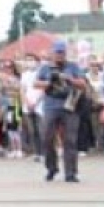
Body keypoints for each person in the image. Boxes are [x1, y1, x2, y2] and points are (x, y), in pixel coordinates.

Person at [35, 39, 86, 182]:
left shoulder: (73, 67)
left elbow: (83, 83)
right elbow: (36, 83)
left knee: (70, 139)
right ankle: (51, 167)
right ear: (53, 53)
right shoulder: (45, 68)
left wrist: (70, 79)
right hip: (51, 106)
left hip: (69, 106)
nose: (60, 56)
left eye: (62, 53)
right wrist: (50, 82)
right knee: (46, 137)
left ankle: (70, 172)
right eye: (57, 53)